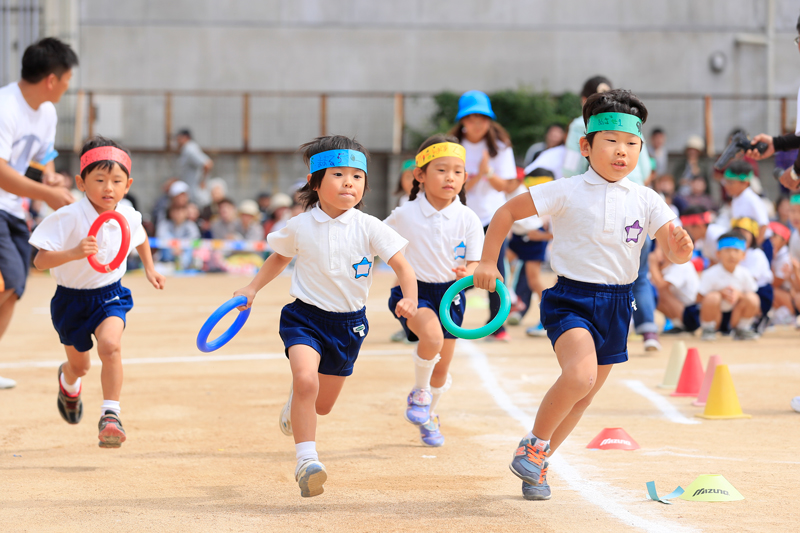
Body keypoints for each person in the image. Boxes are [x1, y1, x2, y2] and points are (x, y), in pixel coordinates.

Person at [473, 89, 693, 501]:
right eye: (610, 142)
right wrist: (487, 263)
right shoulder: (567, 189)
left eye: (630, 144)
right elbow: (505, 213)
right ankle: (533, 444)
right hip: (571, 299)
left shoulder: (647, 198)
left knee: (583, 398)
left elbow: (674, 248)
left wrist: (681, 248)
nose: (621, 151)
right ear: (586, 146)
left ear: (640, 151)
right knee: (579, 376)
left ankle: (537, 466)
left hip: (618, 304)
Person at [232, 135, 417, 497]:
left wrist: (410, 298)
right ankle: (307, 461)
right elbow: (279, 257)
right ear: (315, 183)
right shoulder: (301, 225)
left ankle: (295, 404)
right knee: (306, 380)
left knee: (322, 405)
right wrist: (251, 288)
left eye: (357, 176)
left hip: (350, 325)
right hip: (305, 318)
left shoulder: (370, 226)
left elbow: (403, 267)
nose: (349, 182)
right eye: (338, 174)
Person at [28, 136, 165, 447]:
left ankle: (111, 415)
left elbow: (140, 237)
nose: (108, 188)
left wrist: (150, 268)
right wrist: (73, 253)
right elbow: (39, 261)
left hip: (110, 295)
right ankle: (69, 381)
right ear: (81, 181)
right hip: (70, 300)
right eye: (100, 179)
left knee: (110, 346)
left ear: (127, 184)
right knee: (81, 365)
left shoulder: (127, 213)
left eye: (116, 181)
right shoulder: (67, 216)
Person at [383, 134, 483, 446]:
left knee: (442, 369)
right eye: (441, 170)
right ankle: (419, 393)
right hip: (414, 294)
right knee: (432, 338)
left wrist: (469, 273)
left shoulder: (468, 217)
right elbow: (375, 241)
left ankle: (429, 415)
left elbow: (476, 263)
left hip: (452, 295)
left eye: (457, 171)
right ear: (420, 175)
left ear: (465, 177)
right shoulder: (404, 214)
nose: (450, 177)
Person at [0, 37, 78, 390]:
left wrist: (50, 174)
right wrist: (47, 192)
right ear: (51, 79)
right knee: (6, 280)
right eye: (66, 78)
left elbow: (42, 154)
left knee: (14, 287)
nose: (67, 85)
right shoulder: (5, 107)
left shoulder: (46, 110)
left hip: (14, 209)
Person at [448, 90, 518, 341]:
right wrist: (476, 175)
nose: (477, 124)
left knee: (495, 270)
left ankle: (497, 324)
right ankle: (448, 320)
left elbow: (507, 186)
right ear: (463, 121)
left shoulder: (499, 147)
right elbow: (455, 185)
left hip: (492, 218)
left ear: (489, 121)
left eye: (482, 118)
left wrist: (488, 172)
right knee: (454, 270)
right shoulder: (454, 147)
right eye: (471, 118)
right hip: (460, 217)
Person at [503, 168, 555, 336]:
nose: (504, 184)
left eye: (509, 181)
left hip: (533, 239)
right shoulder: (507, 192)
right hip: (519, 238)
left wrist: (542, 236)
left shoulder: (523, 194)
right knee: (500, 262)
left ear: (518, 182)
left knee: (534, 281)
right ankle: (513, 298)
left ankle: (549, 314)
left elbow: (547, 228)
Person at [697, 230, 760, 341]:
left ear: (743, 255)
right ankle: (708, 329)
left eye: (736, 250)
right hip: (715, 315)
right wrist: (720, 294)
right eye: (727, 250)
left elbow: (752, 296)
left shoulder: (745, 273)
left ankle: (742, 328)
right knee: (713, 297)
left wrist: (739, 295)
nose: (732, 254)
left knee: (752, 298)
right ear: (718, 253)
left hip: (735, 314)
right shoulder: (710, 273)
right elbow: (698, 298)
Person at [731, 217, 773, 330]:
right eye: (737, 233)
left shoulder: (756, 254)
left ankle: (758, 318)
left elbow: (751, 281)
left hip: (760, 291)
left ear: (753, 236)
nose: (740, 236)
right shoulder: (735, 253)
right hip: (741, 288)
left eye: (744, 233)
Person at [649, 245, 701, 334]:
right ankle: (679, 325)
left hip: (695, 313)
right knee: (652, 294)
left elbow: (660, 285)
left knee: (659, 291)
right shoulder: (669, 267)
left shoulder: (682, 265)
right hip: (686, 311)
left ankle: (682, 325)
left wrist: (652, 265)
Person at [724, 160, 770, 244]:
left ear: (745, 183)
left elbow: (764, 224)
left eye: (731, 182)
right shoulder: (735, 198)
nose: (726, 186)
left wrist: (756, 246)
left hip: (760, 244)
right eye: (725, 182)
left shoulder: (752, 199)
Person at [175, 129, 214, 205]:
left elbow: (207, 164)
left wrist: (203, 181)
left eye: (179, 138)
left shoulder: (190, 149)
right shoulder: (186, 149)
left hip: (197, 195)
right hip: (193, 194)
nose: (177, 141)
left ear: (186, 137)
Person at [155, 203, 200, 269]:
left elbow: (195, 238)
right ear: (171, 213)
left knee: (190, 249)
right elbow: (161, 236)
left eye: (181, 211)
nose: (179, 214)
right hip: (168, 255)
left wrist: (181, 247)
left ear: (186, 212)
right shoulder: (164, 224)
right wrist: (174, 247)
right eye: (176, 211)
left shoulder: (191, 225)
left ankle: (185, 266)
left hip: (184, 254)